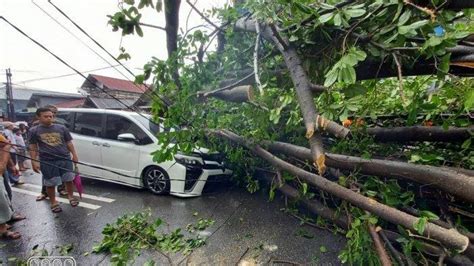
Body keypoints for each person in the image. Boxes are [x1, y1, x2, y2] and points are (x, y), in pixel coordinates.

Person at [29, 107, 80, 213]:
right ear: (38, 117)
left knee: (69, 180)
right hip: (47, 161)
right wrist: (34, 161)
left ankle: (71, 197)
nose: (49, 118)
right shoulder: (34, 130)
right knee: (50, 183)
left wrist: (74, 155)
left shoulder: (62, 128)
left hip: (65, 158)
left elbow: (69, 143)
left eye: (51, 116)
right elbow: (33, 146)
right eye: (46, 116)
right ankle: (53, 202)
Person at [35, 105, 67, 201]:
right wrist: (35, 158)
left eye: (54, 113)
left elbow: (66, 140)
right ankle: (44, 192)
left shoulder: (61, 124)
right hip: (46, 155)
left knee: (62, 172)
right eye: (50, 113)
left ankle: (61, 189)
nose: (52, 115)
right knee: (47, 175)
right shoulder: (36, 125)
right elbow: (34, 143)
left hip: (60, 153)